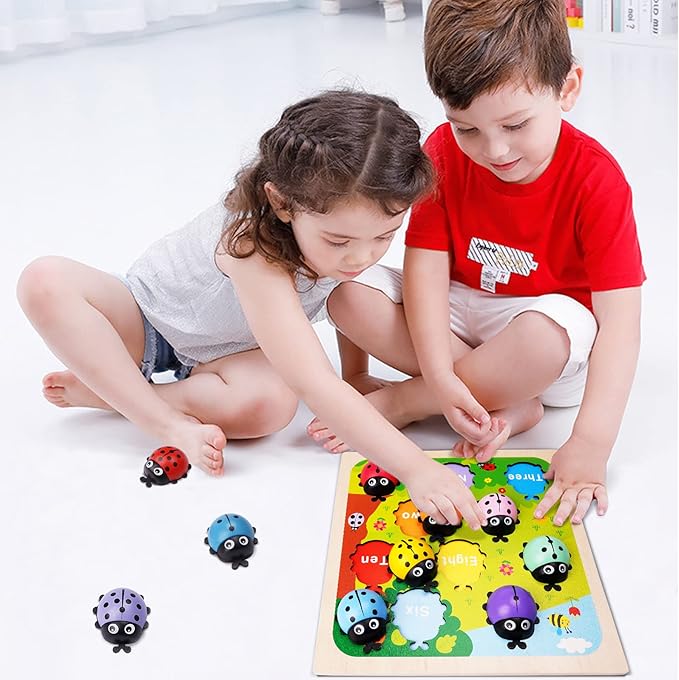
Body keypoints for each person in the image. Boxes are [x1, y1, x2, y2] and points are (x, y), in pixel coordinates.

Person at [17, 89, 487, 530]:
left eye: (384, 237)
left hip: (232, 354)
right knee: (44, 280)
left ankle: (114, 393)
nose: (360, 257)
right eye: (338, 241)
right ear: (281, 203)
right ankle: (158, 417)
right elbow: (314, 381)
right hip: (146, 322)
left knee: (271, 406)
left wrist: (356, 375)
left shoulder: (343, 240)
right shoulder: (250, 246)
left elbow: (339, 292)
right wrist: (417, 469)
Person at [308, 0, 645, 527]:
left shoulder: (596, 179)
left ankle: (408, 403)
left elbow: (620, 324)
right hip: (460, 313)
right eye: (467, 129)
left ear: (567, 89)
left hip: (543, 341)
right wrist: (441, 374)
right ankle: (504, 403)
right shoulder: (444, 151)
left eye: (515, 124)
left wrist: (591, 442)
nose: (495, 150)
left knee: (547, 335)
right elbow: (424, 270)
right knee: (347, 295)